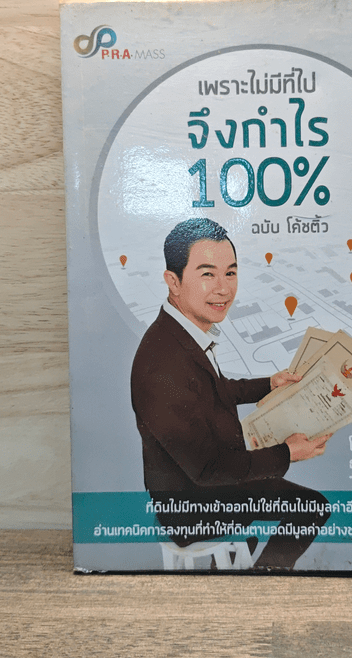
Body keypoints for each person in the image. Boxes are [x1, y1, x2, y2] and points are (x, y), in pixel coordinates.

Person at [130, 218, 331, 570]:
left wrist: (269, 383)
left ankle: (247, 558)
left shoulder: (180, 335)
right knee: (311, 507)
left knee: (291, 501)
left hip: (200, 489)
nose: (223, 289)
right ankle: (265, 578)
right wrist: (287, 453)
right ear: (173, 282)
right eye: (207, 274)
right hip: (193, 507)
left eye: (231, 273)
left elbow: (212, 389)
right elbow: (208, 470)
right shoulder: (162, 363)